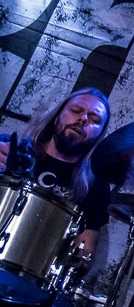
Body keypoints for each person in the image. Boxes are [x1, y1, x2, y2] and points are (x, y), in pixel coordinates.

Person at [0, 87, 112, 267]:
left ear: (99, 134)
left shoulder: (96, 184)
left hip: (32, 270)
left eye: (95, 120)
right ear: (57, 117)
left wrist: (79, 259)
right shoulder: (13, 149)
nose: (83, 119)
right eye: (76, 110)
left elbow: (84, 255)